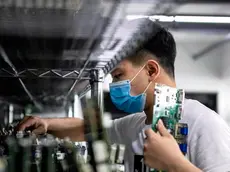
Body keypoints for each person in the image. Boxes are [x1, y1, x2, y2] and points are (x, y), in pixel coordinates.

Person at [17, 22, 230, 172]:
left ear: (151, 71)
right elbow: (89, 130)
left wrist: (174, 163)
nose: (113, 84)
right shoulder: (138, 124)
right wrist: (46, 122)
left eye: (119, 75)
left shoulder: (204, 123)